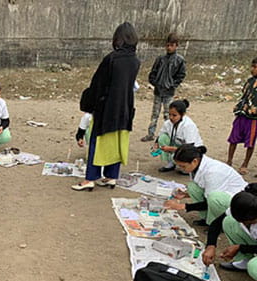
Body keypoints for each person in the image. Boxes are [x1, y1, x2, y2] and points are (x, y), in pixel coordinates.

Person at [72, 22, 140, 191]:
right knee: (116, 142)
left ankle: (90, 179)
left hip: (107, 108)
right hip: (125, 107)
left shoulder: (111, 59)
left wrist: (89, 104)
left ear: (118, 39)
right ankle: (111, 176)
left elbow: (98, 85)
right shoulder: (135, 61)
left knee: (97, 142)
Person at [202, 183, 257, 281]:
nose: (244, 224)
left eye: (248, 222)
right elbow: (216, 223)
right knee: (229, 222)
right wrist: (210, 246)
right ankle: (245, 262)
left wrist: (241, 248)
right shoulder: (247, 200)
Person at [164, 144, 247, 226]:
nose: (181, 168)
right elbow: (203, 187)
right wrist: (186, 195)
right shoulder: (196, 166)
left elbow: (209, 201)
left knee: (214, 198)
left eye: (183, 166)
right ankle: (206, 219)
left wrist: (182, 206)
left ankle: (217, 224)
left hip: (237, 203)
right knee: (192, 187)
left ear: (194, 161)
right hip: (221, 195)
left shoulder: (212, 172)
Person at [141, 33, 187, 142]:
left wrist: (172, 85)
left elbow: (181, 75)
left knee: (169, 115)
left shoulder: (179, 60)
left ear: (176, 46)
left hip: (169, 92)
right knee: (155, 114)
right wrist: (155, 83)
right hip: (158, 91)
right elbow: (153, 73)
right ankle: (151, 134)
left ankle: (169, 135)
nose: (169, 48)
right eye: (167, 45)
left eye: (172, 45)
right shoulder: (160, 59)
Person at [226, 56, 257, 175]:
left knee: (250, 141)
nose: (251, 69)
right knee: (233, 138)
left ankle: (245, 164)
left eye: (255, 67)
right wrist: (238, 106)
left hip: (253, 118)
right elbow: (244, 95)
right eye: (251, 66)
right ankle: (229, 161)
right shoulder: (250, 81)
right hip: (241, 114)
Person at [151, 99, 203, 172]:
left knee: (186, 168)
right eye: (169, 114)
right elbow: (161, 133)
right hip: (178, 146)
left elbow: (190, 148)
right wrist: (156, 144)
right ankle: (171, 163)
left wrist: (171, 149)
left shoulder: (188, 125)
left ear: (183, 114)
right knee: (162, 138)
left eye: (174, 115)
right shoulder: (168, 123)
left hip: (192, 150)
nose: (171, 117)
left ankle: (186, 166)